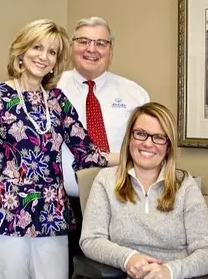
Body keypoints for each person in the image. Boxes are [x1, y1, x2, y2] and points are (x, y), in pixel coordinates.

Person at [0, 19, 118, 279]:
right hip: (3, 214)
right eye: (37, 48)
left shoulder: (58, 101)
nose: (43, 57)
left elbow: (87, 153)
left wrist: (137, 157)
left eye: (52, 52)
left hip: (51, 216)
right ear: (21, 51)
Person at [80, 102, 208, 279]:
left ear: (168, 146)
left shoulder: (185, 185)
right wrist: (129, 259)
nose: (148, 143)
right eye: (141, 134)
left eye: (159, 137)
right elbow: (90, 240)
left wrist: (169, 271)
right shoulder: (106, 180)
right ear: (130, 138)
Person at [57, 16, 150, 276]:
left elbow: (148, 148)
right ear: (71, 45)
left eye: (101, 43)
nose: (92, 49)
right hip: (63, 207)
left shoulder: (135, 93)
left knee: (116, 273)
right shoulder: (51, 88)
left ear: (111, 50)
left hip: (120, 204)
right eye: (84, 41)